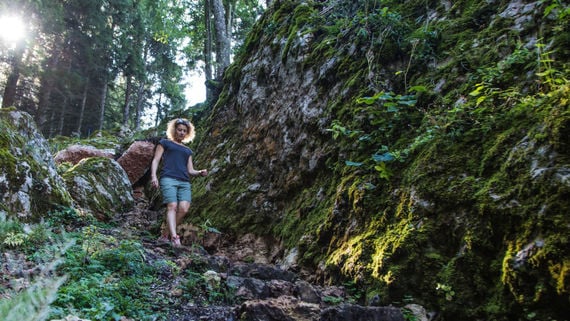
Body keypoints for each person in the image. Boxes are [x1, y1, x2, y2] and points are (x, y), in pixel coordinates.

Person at [150, 118, 208, 247]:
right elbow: (155, 160)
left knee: (184, 209)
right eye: (179, 129)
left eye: (184, 131)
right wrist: (154, 176)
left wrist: (199, 172)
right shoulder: (164, 143)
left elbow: (190, 170)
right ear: (174, 130)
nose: (181, 132)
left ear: (187, 133)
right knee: (172, 206)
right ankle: (174, 237)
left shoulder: (188, 151)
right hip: (168, 178)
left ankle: (165, 234)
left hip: (184, 182)